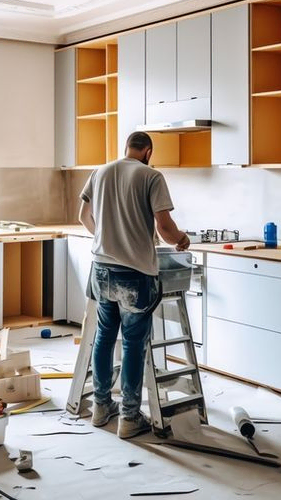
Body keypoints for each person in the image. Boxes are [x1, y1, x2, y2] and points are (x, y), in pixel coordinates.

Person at [78, 131, 190, 439]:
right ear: (148, 151)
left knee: (104, 337)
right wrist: (182, 239)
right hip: (135, 273)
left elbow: (83, 215)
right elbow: (164, 227)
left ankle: (101, 408)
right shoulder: (151, 175)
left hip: (101, 268)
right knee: (131, 344)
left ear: (126, 148)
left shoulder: (100, 171)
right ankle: (128, 418)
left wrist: (105, 238)